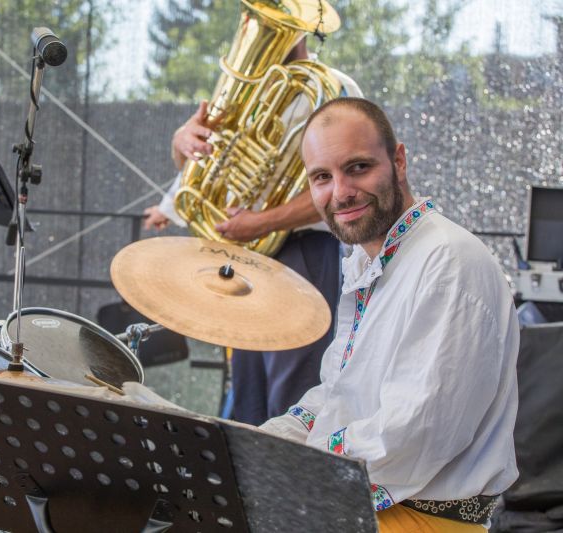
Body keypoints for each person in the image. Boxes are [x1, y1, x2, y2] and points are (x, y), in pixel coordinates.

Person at [260, 97, 519, 531]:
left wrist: (286, 464)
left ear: (398, 161)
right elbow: (337, 396)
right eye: (322, 177)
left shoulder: (448, 261)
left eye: (358, 167)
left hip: (423, 520)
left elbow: (412, 434)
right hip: (372, 500)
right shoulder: (368, 260)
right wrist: (255, 443)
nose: (340, 192)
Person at [144, 36, 363, 425]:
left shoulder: (334, 89)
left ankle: (290, 465)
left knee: (293, 396)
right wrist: (181, 145)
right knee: (247, 395)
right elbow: (213, 161)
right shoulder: (246, 90)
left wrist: (262, 221)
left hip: (303, 249)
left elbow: (340, 189)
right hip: (246, 250)